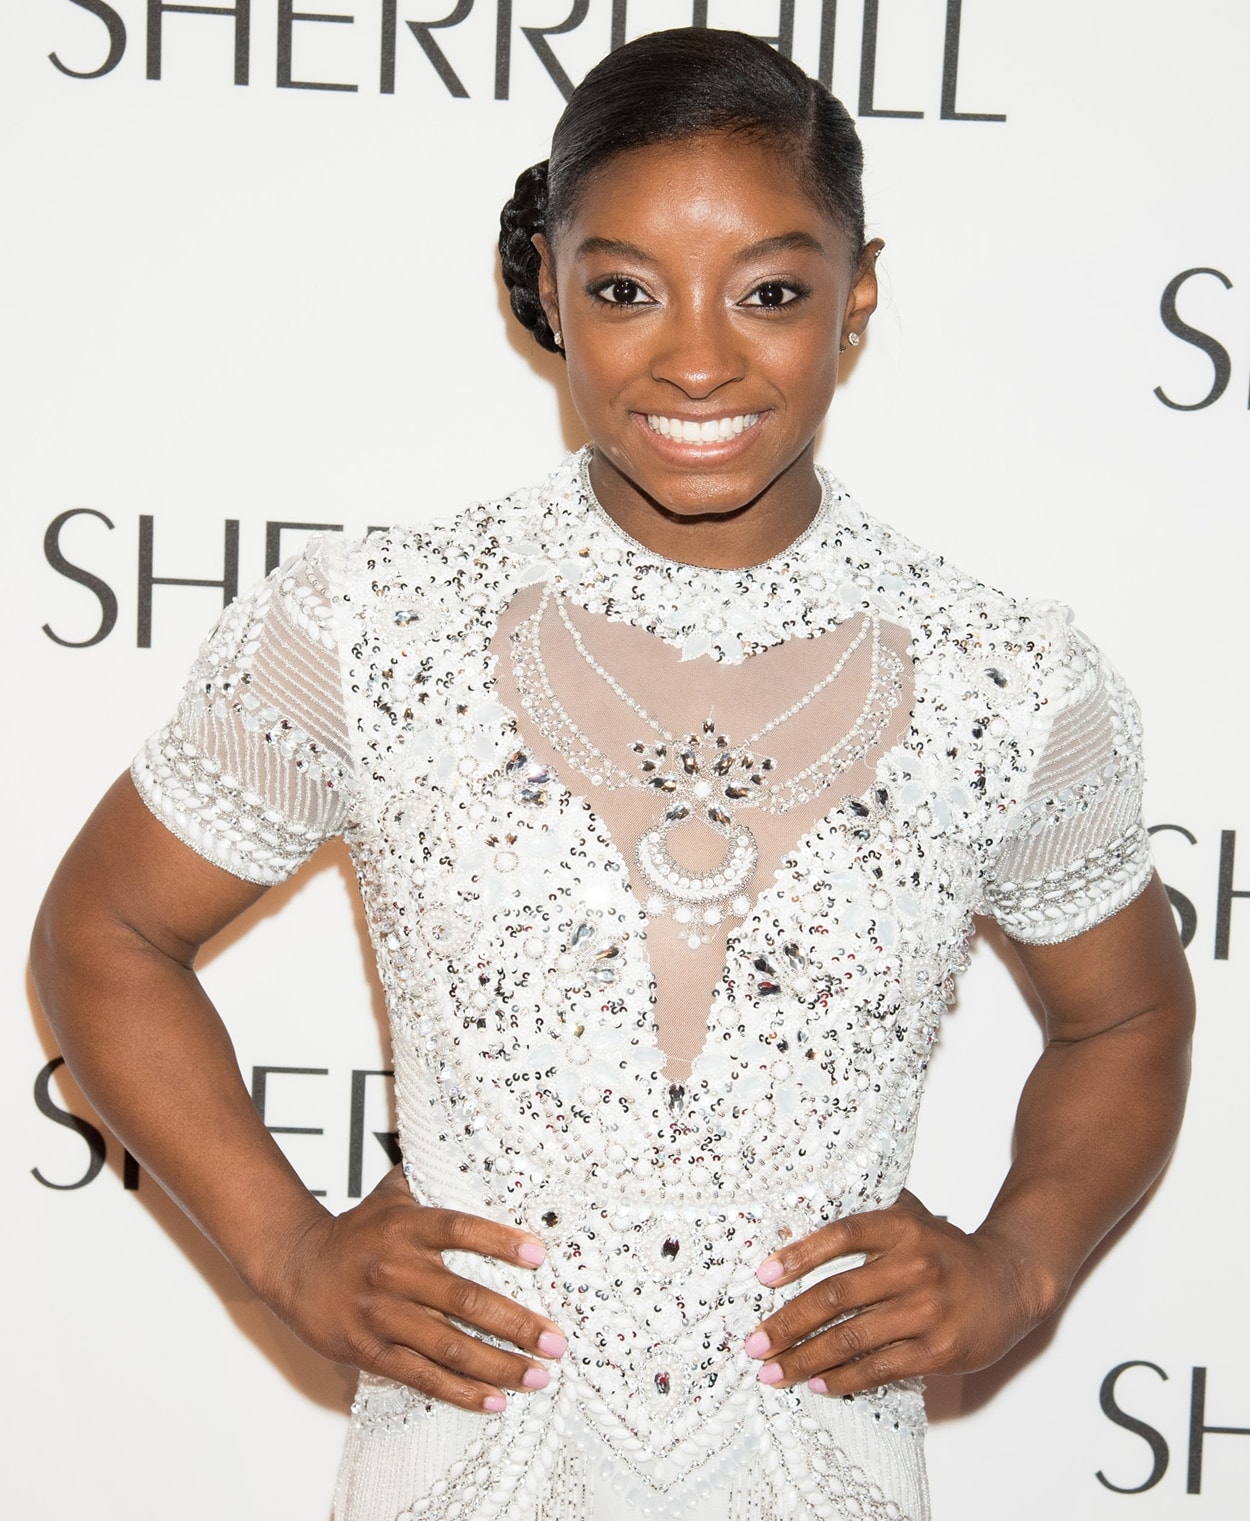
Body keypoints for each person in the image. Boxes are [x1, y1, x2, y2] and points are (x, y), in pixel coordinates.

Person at [31, 26, 1193, 1521]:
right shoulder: (376, 624)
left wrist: (1020, 1258)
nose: (696, 355)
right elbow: (104, 934)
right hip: (461, 1467)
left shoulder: (1006, 675)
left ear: (860, 292)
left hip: (821, 1470)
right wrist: (288, 1249)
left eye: (770, 290)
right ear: (550, 293)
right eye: (626, 288)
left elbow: (1128, 1012)